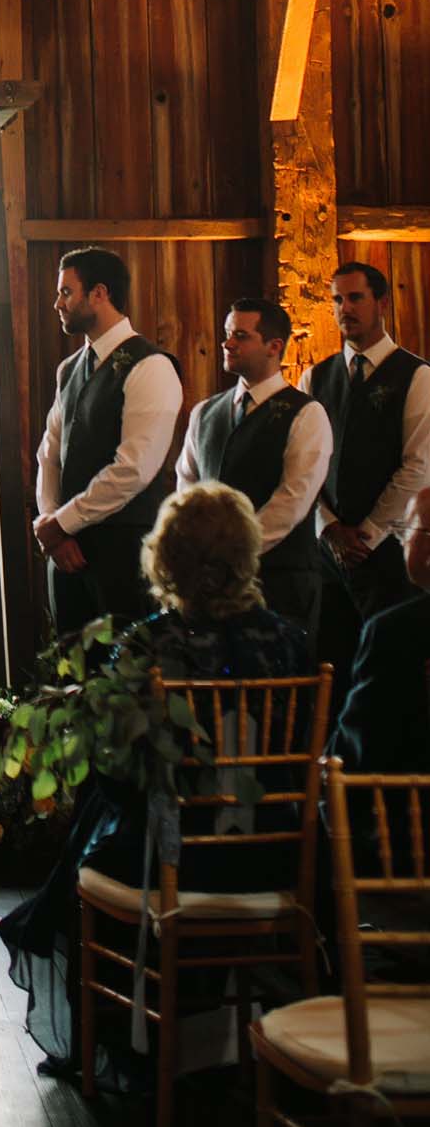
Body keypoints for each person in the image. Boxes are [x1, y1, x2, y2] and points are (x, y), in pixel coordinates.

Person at [0, 481, 310, 1083]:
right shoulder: (291, 644)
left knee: (100, 820)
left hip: (176, 859)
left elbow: (117, 776)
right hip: (275, 854)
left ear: (166, 558)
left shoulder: (148, 643)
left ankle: (113, 1036)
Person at [34, 248, 183, 634]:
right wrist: (52, 526)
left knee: (125, 677)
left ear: (99, 293)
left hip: (124, 553)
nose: (57, 303)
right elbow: (49, 454)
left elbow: (134, 468)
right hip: (64, 554)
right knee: (67, 673)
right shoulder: (68, 370)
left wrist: (63, 522)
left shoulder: (151, 365)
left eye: (67, 292)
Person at [300, 260, 430, 684]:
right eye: (337, 299)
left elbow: (419, 465)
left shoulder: (417, 376)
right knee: (329, 667)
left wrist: (368, 535)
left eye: (355, 297)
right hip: (327, 553)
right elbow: (304, 464)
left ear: (382, 303)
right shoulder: (313, 378)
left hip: (390, 551)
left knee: (388, 672)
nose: (344, 309)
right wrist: (329, 527)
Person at [175, 297, 331, 641]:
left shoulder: (306, 414)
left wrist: (231, 555)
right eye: (227, 334)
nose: (227, 343)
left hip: (281, 581)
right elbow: (186, 488)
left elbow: (291, 501)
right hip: (211, 585)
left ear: (274, 346)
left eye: (241, 336)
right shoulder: (204, 412)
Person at [332, 481, 430, 778]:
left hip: (406, 814)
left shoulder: (393, 631)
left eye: (405, 531)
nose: (401, 542)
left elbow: (358, 748)